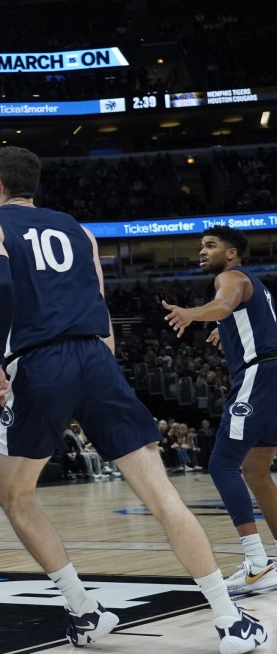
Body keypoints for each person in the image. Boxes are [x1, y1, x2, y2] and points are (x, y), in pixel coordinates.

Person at [0, 146, 264, 652]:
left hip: (41, 361)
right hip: (96, 359)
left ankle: (84, 609)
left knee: (13, 497)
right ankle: (230, 619)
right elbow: (101, 311)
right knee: (162, 495)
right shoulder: (80, 231)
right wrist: (95, 375)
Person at [161, 226, 277, 597]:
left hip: (260, 374)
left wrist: (192, 314)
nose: (202, 251)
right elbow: (238, 315)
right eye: (201, 246)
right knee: (256, 469)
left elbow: (225, 304)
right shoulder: (257, 286)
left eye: (210, 245)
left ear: (231, 253)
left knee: (221, 463)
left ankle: (257, 562)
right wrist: (224, 328)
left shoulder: (230, 277)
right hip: (273, 373)